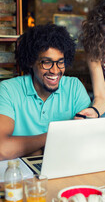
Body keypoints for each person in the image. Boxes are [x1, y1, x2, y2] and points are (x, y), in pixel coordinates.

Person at [0, 23, 91, 160]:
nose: (55, 70)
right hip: (21, 174)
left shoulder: (74, 87)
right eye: (46, 62)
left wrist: (32, 151)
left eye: (60, 62)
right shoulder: (8, 90)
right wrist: (53, 136)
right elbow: (2, 149)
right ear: (31, 62)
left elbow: (88, 142)